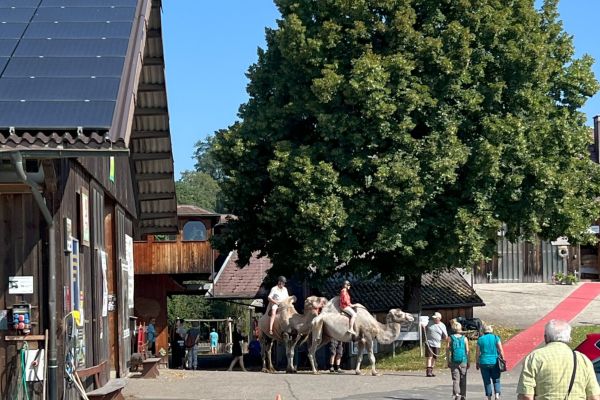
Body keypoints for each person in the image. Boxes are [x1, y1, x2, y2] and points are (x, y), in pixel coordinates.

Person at [517, 319, 600, 400]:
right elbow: (594, 396)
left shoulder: (535, 357)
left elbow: (527, 396)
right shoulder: (582, 359)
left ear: (545, 338)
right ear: (569, 338)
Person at [476, 324, 505, 400]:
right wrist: (503, 359)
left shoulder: (480, 339)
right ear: (491, 331)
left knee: (486, 380)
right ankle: (497, 395)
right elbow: (501, 350)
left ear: (484, 331)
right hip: (494, 361)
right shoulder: (496, 338)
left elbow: (477, 352)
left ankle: (489, 396)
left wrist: (477, 362)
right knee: (496, 379)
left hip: (484, 361)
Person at [447, 320, 469, 400]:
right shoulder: (465, 338)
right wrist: (468, 361)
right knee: (463, 378)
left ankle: (456, 393)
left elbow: (448, 351)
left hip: (454, 360)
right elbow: (467, 351)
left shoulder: (450, 338)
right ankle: (463, 395)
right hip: (463, 361)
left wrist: (448, 361)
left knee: (455, 379)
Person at [425, 312, 447, 377]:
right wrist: (423, 326)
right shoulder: (429, 323)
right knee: (429, 357)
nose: (434, 319)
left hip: (437, 343)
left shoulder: (442, 325)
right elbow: (423, 326)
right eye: (434, 318)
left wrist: (446, 340)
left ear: (439, 318)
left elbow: (445, 335)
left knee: (435, 358)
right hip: (429, 342)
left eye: (436, 318)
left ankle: (431, 370)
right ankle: (428, 372)